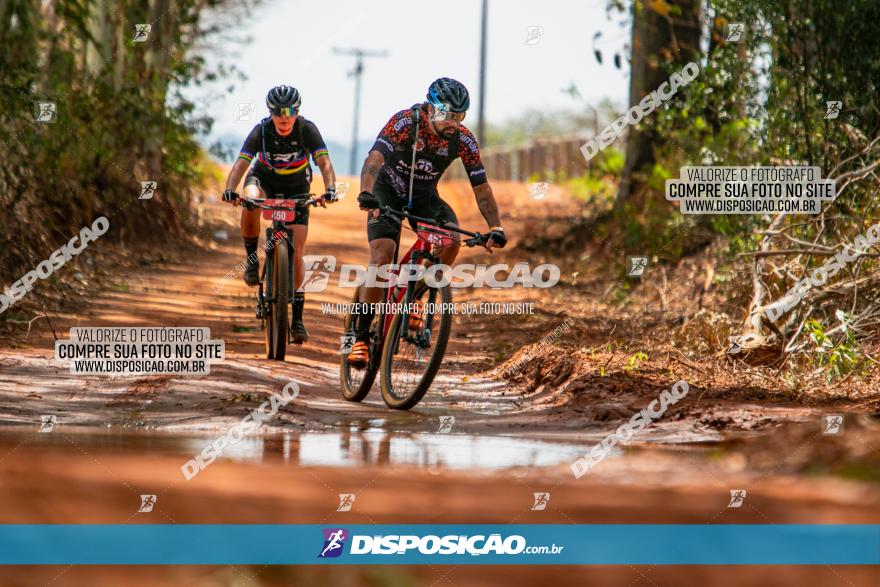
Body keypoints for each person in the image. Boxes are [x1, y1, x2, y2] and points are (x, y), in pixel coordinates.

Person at [349, 77, 507, 367]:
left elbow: (481, 188)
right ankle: (360, 337)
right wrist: (366, 193)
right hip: (386, 191)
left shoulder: (464, 140)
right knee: (383, 255)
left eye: (460, 116)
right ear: (431, 109)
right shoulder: (405, 123)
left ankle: (414, 297)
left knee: (451, 242)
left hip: (423, 196)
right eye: (447, 114)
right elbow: (373, 160)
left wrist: (495, 226)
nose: (453, 122)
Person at [222, 85, 337, 343]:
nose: (284, 118)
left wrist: (330, 188)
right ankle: (252, 259)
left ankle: (297, 318)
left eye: (289, 111)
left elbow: (325, 163)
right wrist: (230, 189)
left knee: (297, 251)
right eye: (278, 112)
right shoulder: (261, 131)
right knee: (250, 199)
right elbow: (241, 164)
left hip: (297, 187)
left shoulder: (306, 130)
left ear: (297, 112)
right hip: (263, 179)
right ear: (270, 112)